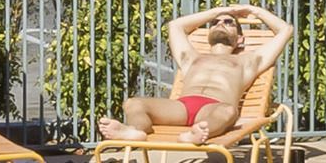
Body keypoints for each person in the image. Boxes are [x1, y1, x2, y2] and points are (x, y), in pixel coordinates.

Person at [100, 12, 261, 144]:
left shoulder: (247, 61)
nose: (220, 24)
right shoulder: (192, 57)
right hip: (182, 107)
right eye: (215, 22)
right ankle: (136, 131)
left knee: (228, 110)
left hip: (214, 108)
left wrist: (248, 9)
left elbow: (285, 30)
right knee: (133, 103)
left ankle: (196, 135)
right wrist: (222, 9)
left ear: (240, 39)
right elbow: (175, 25)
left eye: (228, 22)